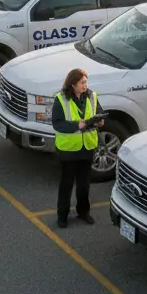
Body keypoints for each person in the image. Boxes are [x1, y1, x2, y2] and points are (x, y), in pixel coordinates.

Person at [52, 68, 104, 228]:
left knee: (84, 184)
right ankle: (62, 216)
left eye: (86, 82)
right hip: (68, 150)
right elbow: (57, 123)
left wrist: (101, 121)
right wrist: (77, 125)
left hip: (87, 147)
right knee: (66, 185)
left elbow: (99, 112)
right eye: (82, 82)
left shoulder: (92, 96)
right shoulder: (61, 99)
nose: (85, 85)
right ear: (73, 84)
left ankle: (83, 212)